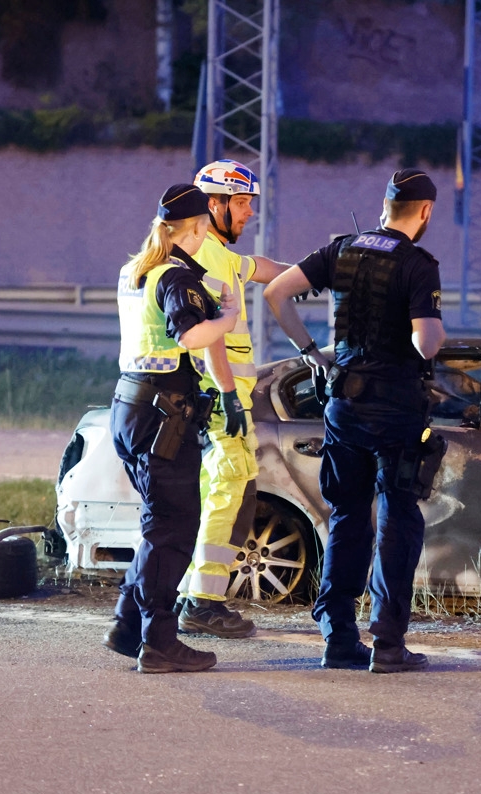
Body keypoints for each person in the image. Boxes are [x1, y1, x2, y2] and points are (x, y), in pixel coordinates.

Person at [262, 168, 445, 674]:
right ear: (425, 211)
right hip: (396, 410)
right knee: (398, 519)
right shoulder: (417, 264)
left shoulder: (340, 250)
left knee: (346, 516)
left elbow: (276, 292)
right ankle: (388, 643)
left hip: (343, 404)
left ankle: (338, 638)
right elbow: (426, 343)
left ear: (384, 206)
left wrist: (311, 352)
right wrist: (433, 336)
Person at [102, 184, 241, 674]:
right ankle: (159, 642)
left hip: (130, 405)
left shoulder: (135, 270)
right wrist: (228, 317)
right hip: (163, 416)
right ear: (199, 227)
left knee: (157, 525)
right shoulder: (175, 276)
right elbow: (192, 335)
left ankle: (127, 626)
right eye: (204, 228)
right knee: (175, 530)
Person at [171, 159, 292, 639]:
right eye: (241, 203)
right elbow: (211, 337)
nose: (249, 212)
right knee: (227, 494)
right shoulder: (206, 256)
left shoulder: (221, 254)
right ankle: (202, 602)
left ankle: (193, 595)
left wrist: (316, 272)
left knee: (226, 495)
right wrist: (228, 398)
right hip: (222, 404)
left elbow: (262, 268)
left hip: (227, 402)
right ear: (213, 205)